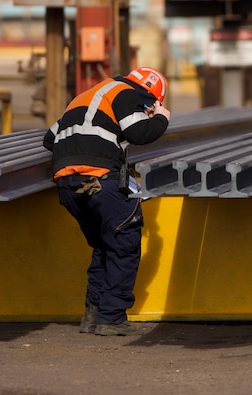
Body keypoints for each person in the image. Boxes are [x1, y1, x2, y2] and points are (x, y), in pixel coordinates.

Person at [43, 66, 171, 336]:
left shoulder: (85, 97)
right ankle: (111, 318)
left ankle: (92, 315)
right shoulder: (127, 94)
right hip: (102, 182)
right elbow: (140, 133)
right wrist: (160, 118)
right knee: (123, 246)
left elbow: (49, 139)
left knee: (104, 245)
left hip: (69, 186)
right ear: (150, 97)